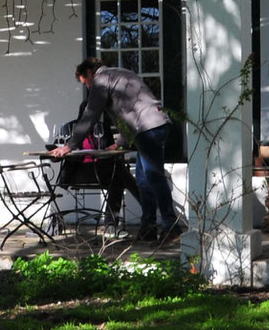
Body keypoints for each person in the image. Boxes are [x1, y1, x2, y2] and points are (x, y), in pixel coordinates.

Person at [52, 58, 180, 243]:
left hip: (148, 129)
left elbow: (91, 114)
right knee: (144, 181)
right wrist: (120, 142)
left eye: (86, 83)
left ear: (89, 73)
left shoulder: (101, 80)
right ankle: (148, 229)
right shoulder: (121, 73)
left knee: (154, 177)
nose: (88, 88)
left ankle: (171, 227)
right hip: (154, 126)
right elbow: (129, 112)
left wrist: (70, 145)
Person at [49, 98, 139, 228]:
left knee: (117, 179)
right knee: (119, 174)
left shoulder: (102, 128)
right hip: (77, 173)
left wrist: (112, 149)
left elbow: (108, 152)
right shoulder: (69, 128)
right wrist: (55, 153)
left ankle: (110, 225)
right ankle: (143, 205)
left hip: (100, 171)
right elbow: (56, 155)